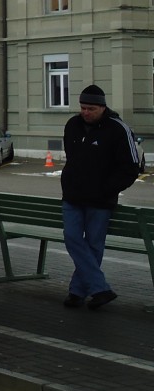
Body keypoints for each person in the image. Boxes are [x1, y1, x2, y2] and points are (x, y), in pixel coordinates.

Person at [60, 84, 141, 309]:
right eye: (83, 108)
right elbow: (72, 158)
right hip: (73, 197)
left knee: (94, 245)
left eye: (91, 108)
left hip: (101, 200)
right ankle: (100, 289)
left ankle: (77, 292)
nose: (86, 112)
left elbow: (131, 168)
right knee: (73, 239)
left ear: (103, 108)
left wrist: (107, 188)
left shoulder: (118, 129)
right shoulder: (73, 125)